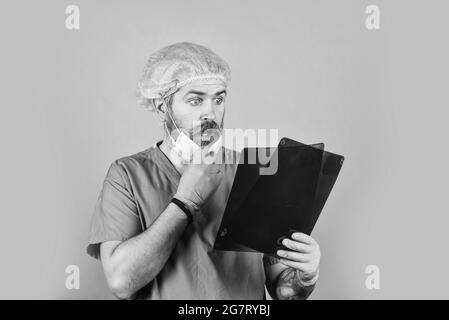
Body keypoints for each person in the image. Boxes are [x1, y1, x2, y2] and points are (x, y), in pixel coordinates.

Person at [86, 42, 320, 300]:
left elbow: (284, 290)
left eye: (218, 99)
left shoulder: (253, 173)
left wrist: (303, 277)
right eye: (196, 100)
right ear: (162, 107)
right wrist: (184, 202)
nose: (210, 112)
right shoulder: (127, 175)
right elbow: (121, 282)